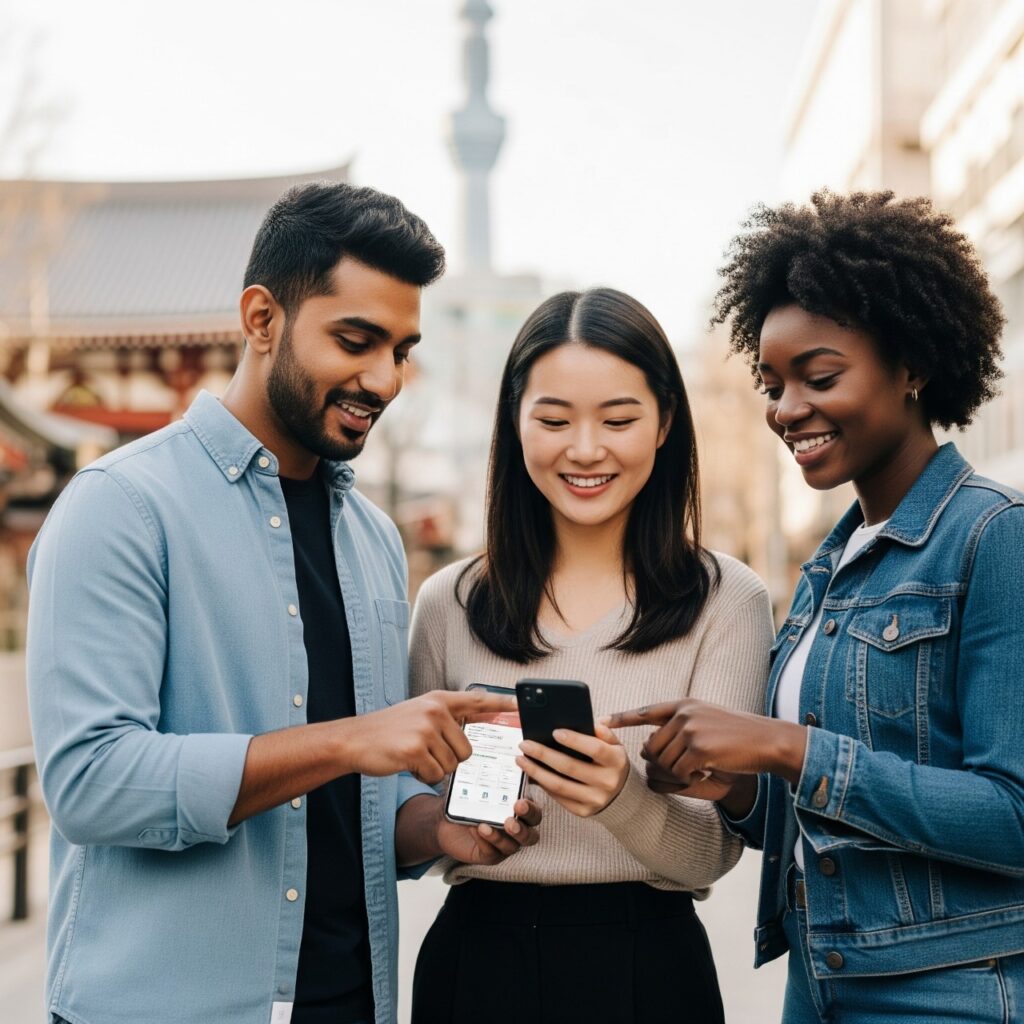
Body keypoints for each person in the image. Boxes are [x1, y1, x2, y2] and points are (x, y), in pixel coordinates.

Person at [26, 181, 540, 1024]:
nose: (384, 379)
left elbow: (356, 804)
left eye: (402, 349)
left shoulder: (374, 540)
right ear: (262, 319)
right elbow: (92, 783)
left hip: (353, 1003)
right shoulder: (119, 507)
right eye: (356, 340)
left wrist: (436, 831)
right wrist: (347, 740)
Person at [610, 191, 1024, 1022]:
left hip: (950, 993)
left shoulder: (994, 536)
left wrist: (790, 747)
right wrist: (726, 782)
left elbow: (1012, 816)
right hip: (822, 981)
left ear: (912, 366)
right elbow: (815, 816)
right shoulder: (831, 569)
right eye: (772, 383)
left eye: (819, 376)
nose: (786, 409)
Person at [408, 287, 774, 1024]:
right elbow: (406, 813)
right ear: (515, 424)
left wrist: (621, 800)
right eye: (552, 419)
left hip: (648, 968)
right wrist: (459, 831)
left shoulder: (728, 600)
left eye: (618, 419)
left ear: (666, 421)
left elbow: (713, 854)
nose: (584, 449)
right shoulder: (447, 602)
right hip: (475, 965)